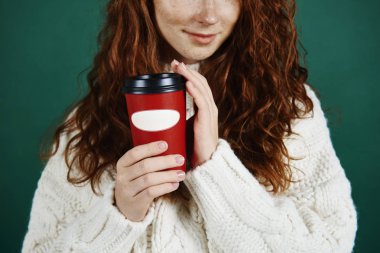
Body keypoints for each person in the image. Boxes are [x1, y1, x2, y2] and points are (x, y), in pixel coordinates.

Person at [22, 0, 357, 252]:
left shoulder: (288, 111)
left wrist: (216, 170)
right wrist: (118, 215)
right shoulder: (87, 127)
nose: (209, 15)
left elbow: (330, 243)